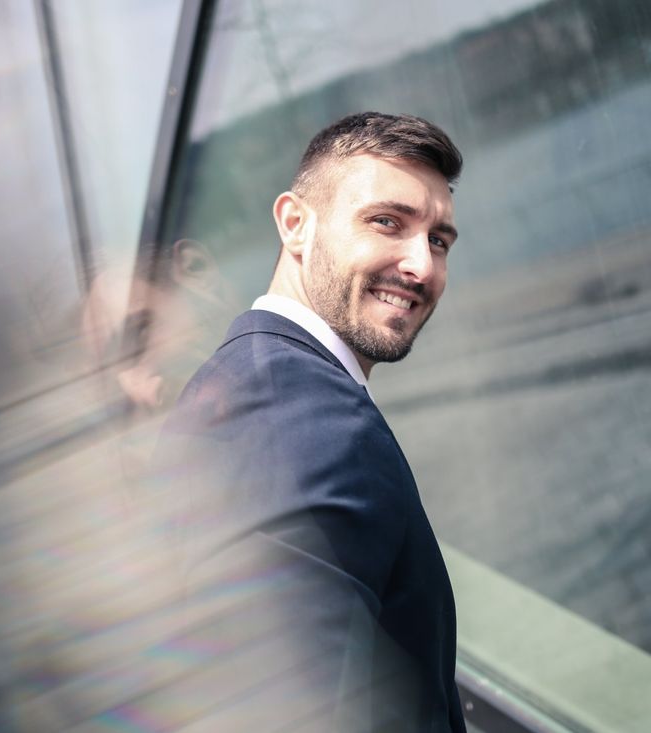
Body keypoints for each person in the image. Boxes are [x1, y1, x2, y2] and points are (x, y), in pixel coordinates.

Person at [153, 112, 465, 731]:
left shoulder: (242, 378)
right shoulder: (295, 413)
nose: (422, 267)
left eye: (438, 240)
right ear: (296, 224)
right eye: (387, 222)